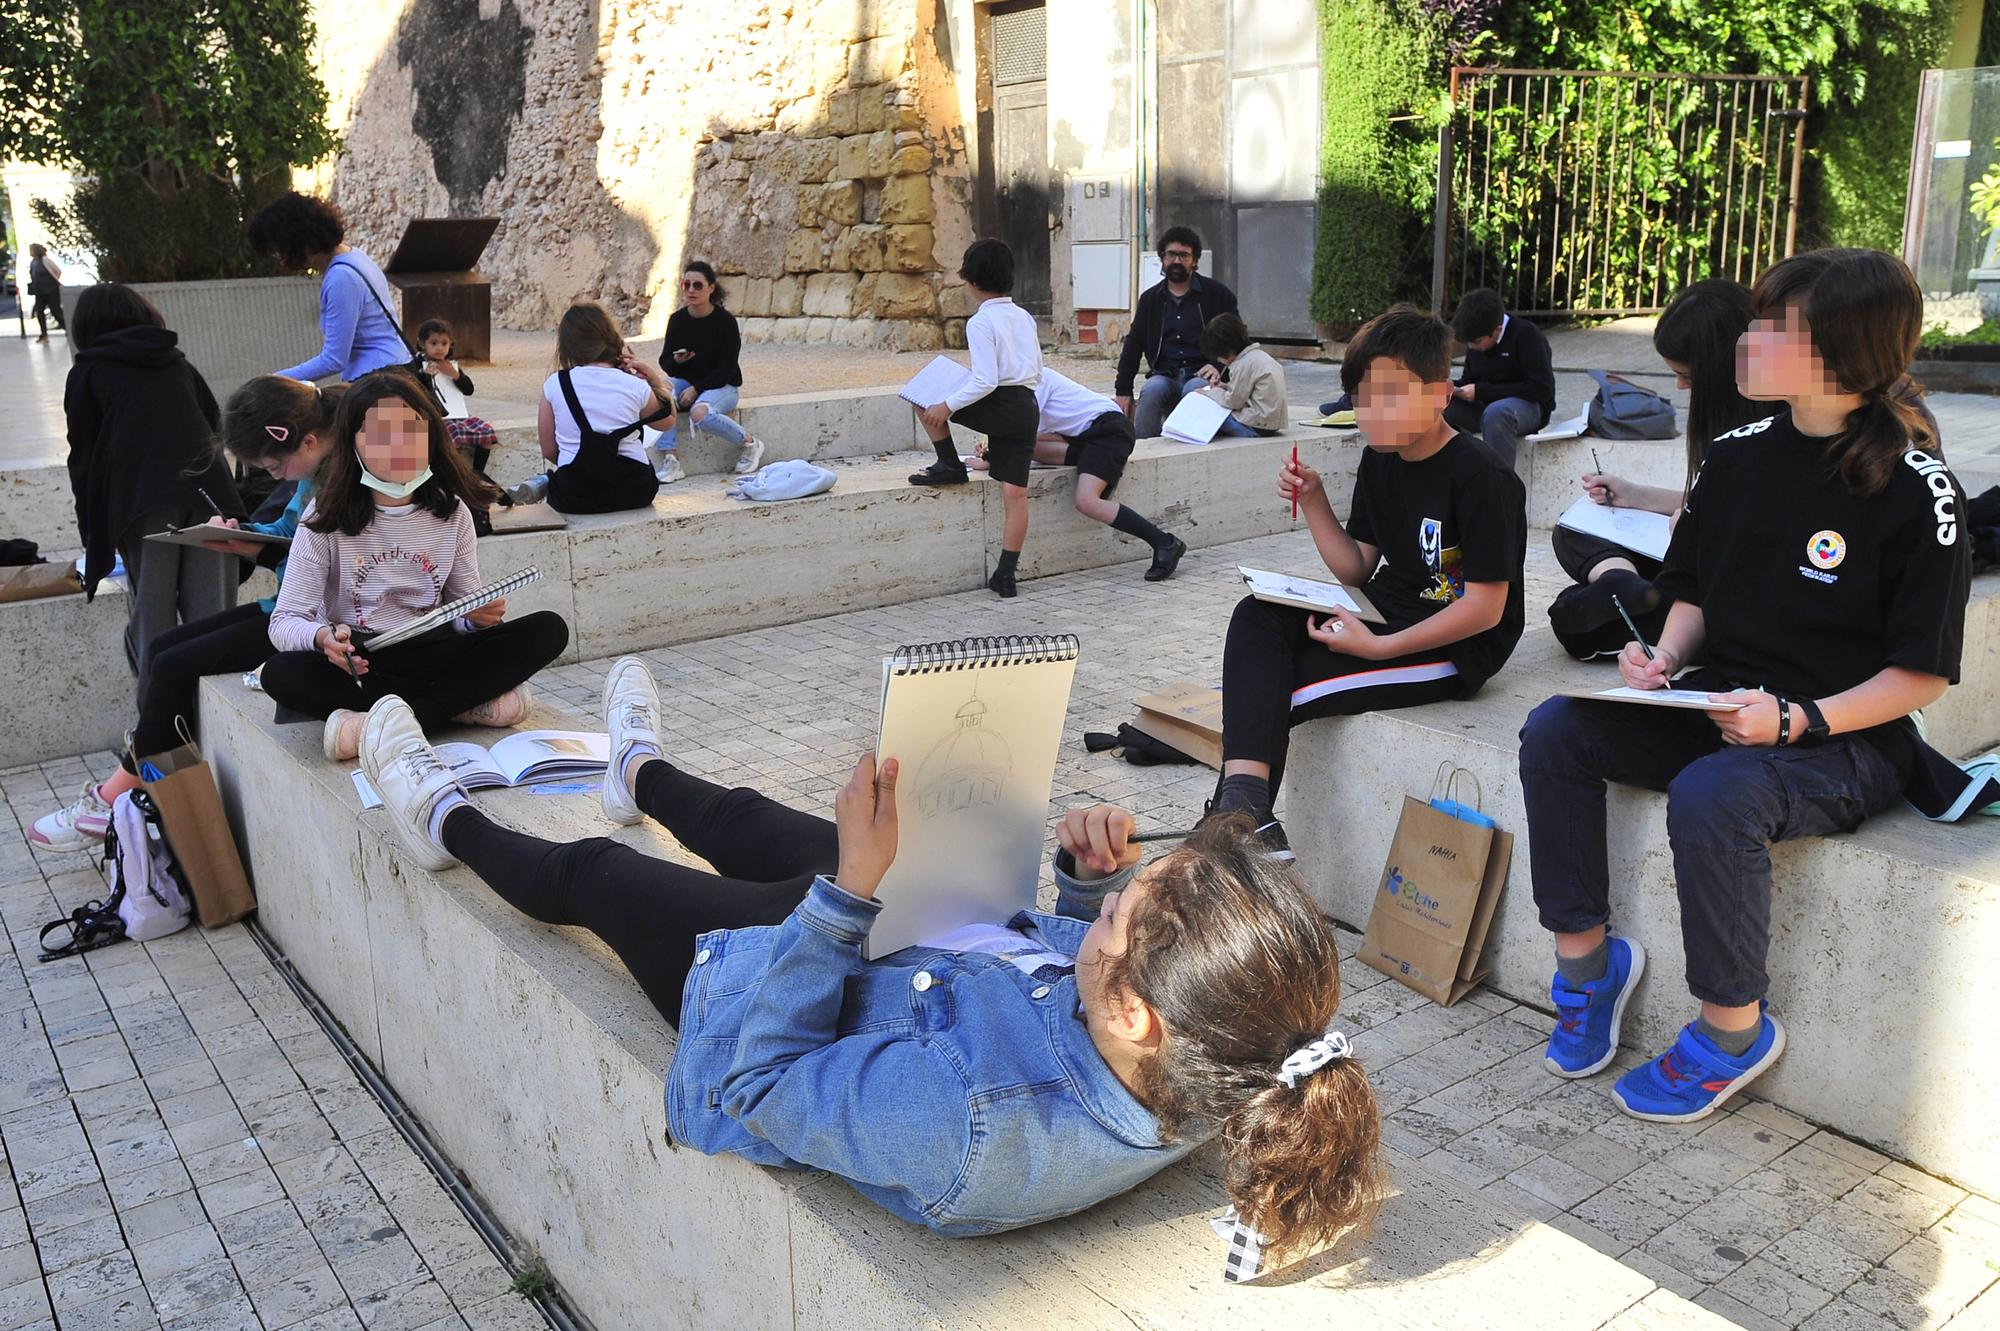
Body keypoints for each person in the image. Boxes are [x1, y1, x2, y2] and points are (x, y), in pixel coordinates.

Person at [349, 656, 1382, 1271]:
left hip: (769, 993)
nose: (1102, 911)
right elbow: (1085, 976)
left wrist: (846, 896)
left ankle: (441, 815)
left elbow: (756, 1083)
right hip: (916, 951)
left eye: (1117, 914)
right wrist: (1078, 885)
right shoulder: (1227, 1050)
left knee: (597, 875)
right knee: (760, 820)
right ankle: (636, 767)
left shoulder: (966, 1126)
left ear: (1141, 1012)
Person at [1517, 248, 1970, 1123]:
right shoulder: (1735, 455)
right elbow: (1691, 594)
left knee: (1714, 793)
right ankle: (1587, 965)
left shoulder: (1917, 490)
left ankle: (1732, 1029)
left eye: (1772, 327)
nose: (1747, 341)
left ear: (1838, 349)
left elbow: (1920, 675)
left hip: (1846, 738)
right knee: (1556, 730)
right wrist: (1665, 660)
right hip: (1723, 702)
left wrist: (1797, 719)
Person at [1211, 307, 1526, 850]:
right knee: (1256, 615)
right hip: (1382, 612)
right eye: (1360, 395)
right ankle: (1246, 814)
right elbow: (1357, 567)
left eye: (1390, 394)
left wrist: (1380, 649)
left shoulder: (1483, 478)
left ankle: (1232, 829)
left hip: (1454, 644)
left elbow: (1486, 608)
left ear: (1441, 394)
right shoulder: (1383, 459)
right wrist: (1313, 501)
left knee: (1281, 687)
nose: (1369, 410)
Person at [30, 378, 343, 851]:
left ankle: (120, 791)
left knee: (177, 663)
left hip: (314, 623)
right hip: (290, 608)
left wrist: (256, 546)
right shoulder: (316, 470)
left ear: (310, 440)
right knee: (161, 649)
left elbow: (325, 556)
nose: (276, 476)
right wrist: (244, 537)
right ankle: (142, 782)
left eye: (274, 465)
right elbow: (288, 532)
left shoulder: (348, 481)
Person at [261, 373, 570, 760]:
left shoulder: (452, 510)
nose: (399, 445)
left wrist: (476, 617)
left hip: (434, 650)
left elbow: (461, 614)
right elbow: (285, 620)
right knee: (280, 673)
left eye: (411, 429)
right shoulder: (325, 516)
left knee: (547, 629)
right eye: (379, 435)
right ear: (351, 443)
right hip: (364, 659)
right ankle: (460, 707)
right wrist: (322, 639)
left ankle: (385, 723)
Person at [1546, 281, 1762, 659]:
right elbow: (1706, 501)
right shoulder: (1730, 425)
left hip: (1727, 592)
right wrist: (1635, 495)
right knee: (1574, 529)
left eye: (1689, 377)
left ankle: (1624, 588)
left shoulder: (1768, 433)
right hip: (1693, 565)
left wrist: (1693, 535)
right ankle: (1621, 581)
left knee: (1575, 620)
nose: (1679, 386)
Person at [64, 283, 243, 681]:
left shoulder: (88, 373)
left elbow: (84, 460)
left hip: (142, 506)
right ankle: (216, 726)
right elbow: (214, 428)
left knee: (153, 623)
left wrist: (92, 533)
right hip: (207, 497)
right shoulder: (177, 364)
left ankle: (160, 734)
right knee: (214, 622)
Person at [907, 240, 1041, 599]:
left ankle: (948, 463)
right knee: (1015, 493)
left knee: (923, 394)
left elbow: (985, 380)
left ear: (972, 281)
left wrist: (947, 406)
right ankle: (1006, 574)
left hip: (999, 403)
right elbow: (1037, 371)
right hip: (1027, 406)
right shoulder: (1024, 316)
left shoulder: (982, 321)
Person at [966, 368, 1186, 581]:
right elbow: (1030, 439)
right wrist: (992, 454)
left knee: (1086, 500)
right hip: (1085, 438)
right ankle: (1092, 463)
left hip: (1109, 432)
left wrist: (990, 457)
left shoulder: (1032, 383)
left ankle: (1164, 543)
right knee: (1032, 446)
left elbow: (1019, 433)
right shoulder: (1019, 386)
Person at [508, 303, 676, 515]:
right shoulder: (634, 385)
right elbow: (667, 420)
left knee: (559, 479)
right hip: (635, 489)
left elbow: (549, 449)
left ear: (567, 345)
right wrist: (655, 381)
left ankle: (542, 482)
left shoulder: (556, 383)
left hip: (576, 494)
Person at [247, 192, 410, 382]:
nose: (282, 260)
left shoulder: (341, 279)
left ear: (300, 242)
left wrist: (272, 381)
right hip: (393, 373)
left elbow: (333, 360)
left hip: (380, 385)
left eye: (280, 251)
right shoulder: (355, 257)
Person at [1114, 228, 1240, 437]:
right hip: (1164, 374)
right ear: (1162, 258)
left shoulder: (1217, 295)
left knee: (1196, 391)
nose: (1177, 261)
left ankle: (1188, 452)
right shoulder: (1150, 299)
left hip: (1201, 373)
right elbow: (1134, 344)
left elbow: (1236, 339)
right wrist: (1123, 390)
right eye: (1171, 254)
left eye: (1184, 255)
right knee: (1152, 390)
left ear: (1195, 260)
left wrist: (1218, 365)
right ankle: (1142, 451)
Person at [652, 260, 767, 483]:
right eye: (687, 285)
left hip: (723, 385)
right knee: (660, 394)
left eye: (698, 285)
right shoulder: (677, 320)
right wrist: (677, 360)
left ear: (711, 288)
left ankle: (750, 443)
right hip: (688, 382)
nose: (691, 290)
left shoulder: (725, 323)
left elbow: (727, 369)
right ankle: (671, 458)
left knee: (700, 413)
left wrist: (696, 389)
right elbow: (666, 362)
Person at [1445, 288, 1555, 469]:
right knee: (1436, 400)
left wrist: (1482, 391)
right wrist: (1452, 387)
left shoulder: (1527, 336)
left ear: (1497, 329)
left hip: (1525, 408)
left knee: (1497, 413)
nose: (1472, 347)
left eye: (1477, 342)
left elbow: (1541, 389)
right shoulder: (1476, 344)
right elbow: (1470, 380)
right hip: (1483, 407)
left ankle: (1499, 485)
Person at [408, 318, 498, 476]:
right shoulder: (416, 365)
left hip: (457, 414)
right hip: (434, 417)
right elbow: (418, 392)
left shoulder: (450, 366)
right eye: (434, 343)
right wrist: (426, 376)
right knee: (451, 435)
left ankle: (477, 474)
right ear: (423, 344)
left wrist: (455, 375)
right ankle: (452, 474)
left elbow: (469, 389)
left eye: (444, 343)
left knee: (486, 433)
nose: (439, 348)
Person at [1196, 313, 1289, 437]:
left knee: (1210, 413)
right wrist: (1224, 386)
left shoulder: (1243, 365)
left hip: (1256, 425)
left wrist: (1210, 393)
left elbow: (1233, 402)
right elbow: (1245, 391)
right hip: (1270, 423)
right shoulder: (1259, 357)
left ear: (1224, 351)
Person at [27, 243, 64, 342]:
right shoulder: (33, 262)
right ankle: (44, 334)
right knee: (39, 313)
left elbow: (58, 271)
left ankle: (68, 330)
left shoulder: (45, 260)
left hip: (51, 291)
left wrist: (54, 280)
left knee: (56, 311)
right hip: (39, 291)